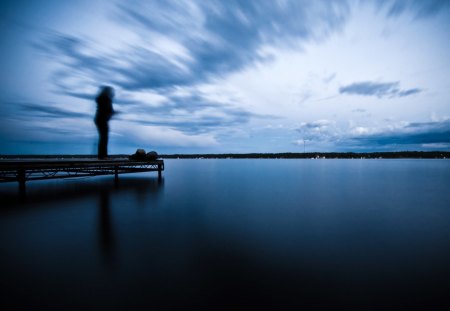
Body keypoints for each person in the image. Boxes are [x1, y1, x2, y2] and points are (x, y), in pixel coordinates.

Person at [95, 86, 115, 159]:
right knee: (104, 137)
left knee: (103, 137)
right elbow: (107, 109)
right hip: (102, 119)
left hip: (99, 119)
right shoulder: (106, 99)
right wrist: (112, 112)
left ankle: (102, 155)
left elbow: (106, 109)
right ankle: (103, 156)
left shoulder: (101, 98)